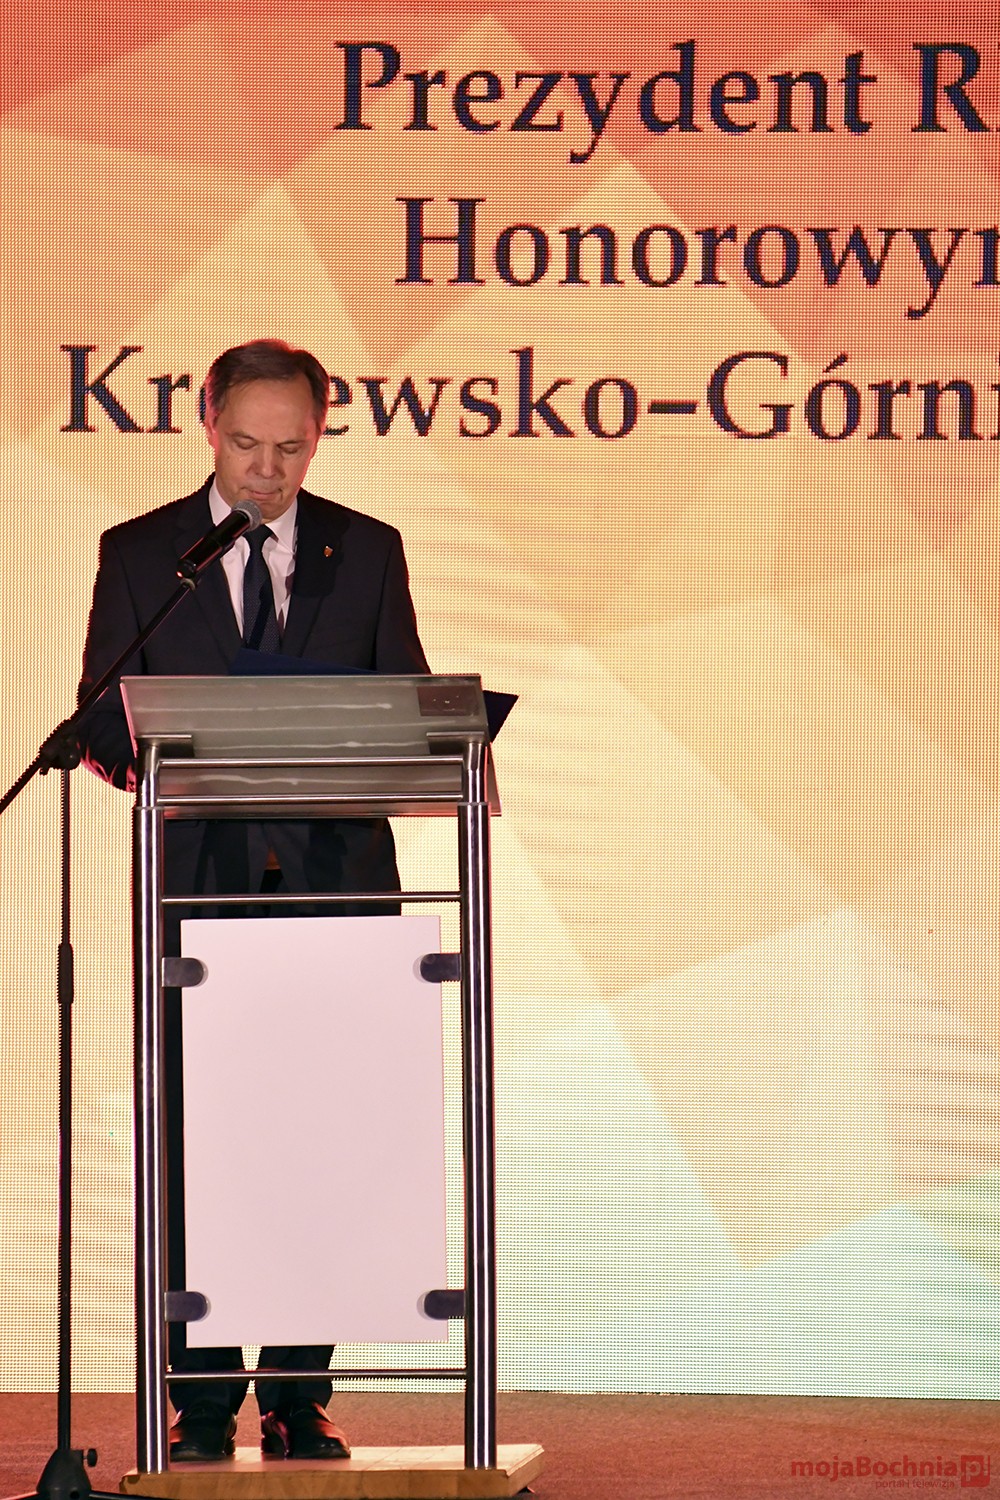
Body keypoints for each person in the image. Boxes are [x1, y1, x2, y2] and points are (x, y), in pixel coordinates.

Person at [76, 339, 430, 1463]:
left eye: (290, 449)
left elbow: (409, 707)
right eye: (246, 446)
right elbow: (100, 720)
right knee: (203, 1149)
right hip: (201, 893)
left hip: (335, 890)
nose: (266, 473)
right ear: (207, 423)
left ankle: (296, 1392)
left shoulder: (365, 551)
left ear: (318, 438)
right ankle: (201, 1401)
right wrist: (165, 755)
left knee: (324, 1145)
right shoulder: (144, 555)